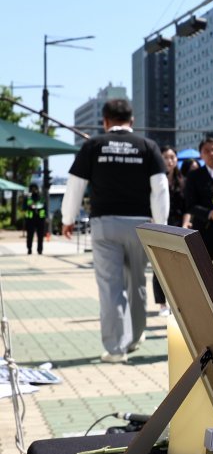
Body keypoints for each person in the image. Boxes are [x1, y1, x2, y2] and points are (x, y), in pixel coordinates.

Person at [61, 98, 168, 363]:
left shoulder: (93, 145)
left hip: (105, 224)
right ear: (132, 121)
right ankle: (134, 338)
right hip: (141, 224)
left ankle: (115, 349)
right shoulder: (148, 146)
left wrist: (67, 218)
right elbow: (161, 188)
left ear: (105, 121)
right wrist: (161, 225)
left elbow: (75, 185)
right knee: (137, 282)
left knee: (111, 287)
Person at [182, 138, 213, 284]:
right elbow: (189, 205)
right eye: (206, 151)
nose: (211, 153)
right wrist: (210, 214)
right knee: (202, 275)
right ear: (201, 155)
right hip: (203, 231)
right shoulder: (194, 176)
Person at [151, 146, 186, 315]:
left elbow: (188, 206)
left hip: (178, 227)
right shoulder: (154, 180)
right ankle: (162, 304)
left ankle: (176, 303)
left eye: (172, 157)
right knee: (159, 266)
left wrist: (187, 224)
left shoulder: (183, 181)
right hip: (158, 227)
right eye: (165, 157)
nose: (169, 161)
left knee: (178, 268)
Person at [22, 183, 47, 255]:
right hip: (30, 220)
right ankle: (29, 249)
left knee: (40, 236)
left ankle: (40, 250)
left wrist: (46, 217)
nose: (34, 190)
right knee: (30, 236)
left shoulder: (41, 197)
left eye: (35, 188)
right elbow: (24, 208)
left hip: (40, 219)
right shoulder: (27, 198)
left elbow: (45, 208)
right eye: (32, 188)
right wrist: (29, 207)